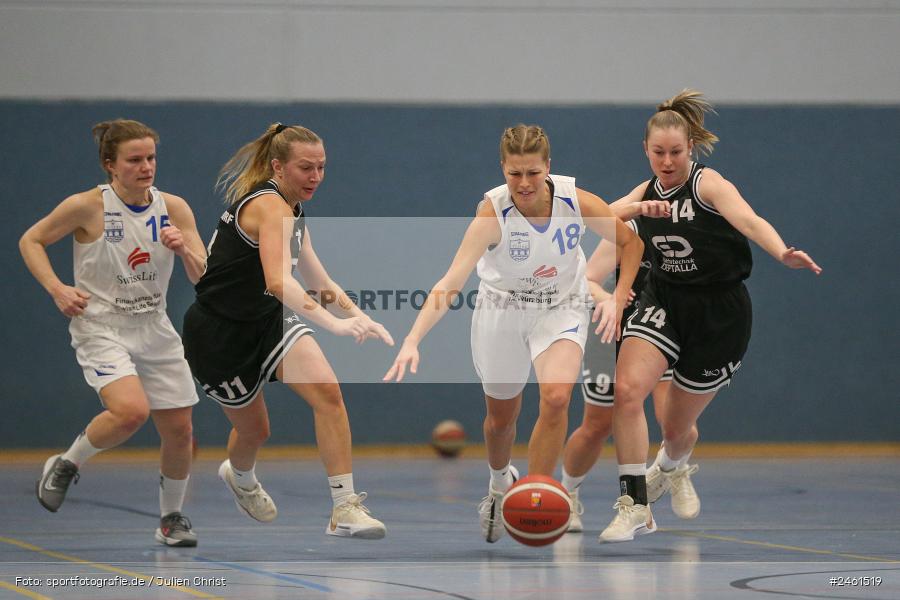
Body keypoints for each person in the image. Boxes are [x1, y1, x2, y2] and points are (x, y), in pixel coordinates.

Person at [384, 124, 644, 543]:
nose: (524, 184)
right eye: (514, 174)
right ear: (503, 168)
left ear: (548, 168)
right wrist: (413, 339)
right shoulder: (492, 214)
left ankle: (536, 493)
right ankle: (497, 486)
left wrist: (617, 296)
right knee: (500, 421)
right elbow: (450, 282)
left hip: (560, 308)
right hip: (501, 310)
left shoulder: (575, 200)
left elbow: (631, 244)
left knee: (557, 396)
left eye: (533, 173)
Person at [599, 90, 822, 543]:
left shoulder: (708, 184)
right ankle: (634, 503)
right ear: (645, 150)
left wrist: (782, 252)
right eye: (658, 152)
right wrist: (633, 216)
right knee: (626, 390)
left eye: (675, 152)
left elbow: (751, 220)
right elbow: (599, 216)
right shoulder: (643, 194)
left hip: (720, 313)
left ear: (691, 149)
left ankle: (670, 466)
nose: (666, 161)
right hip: (665, 300)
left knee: (677, 429)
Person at [182, 123, 393, 539]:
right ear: (278, 166)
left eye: (321, 167)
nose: (315, 176)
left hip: (267, 319)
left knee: (328, 393)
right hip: (218, 334)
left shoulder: (294, 210)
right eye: (305, 168)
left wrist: (358, 314)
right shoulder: (268, 206)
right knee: (255, 431)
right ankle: (239, 476)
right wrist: (333, 324)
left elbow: (317, 278)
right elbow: (279, 280)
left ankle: (343, 509)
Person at [19, 119, 207, 547]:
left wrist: (185, 249)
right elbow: (31, 241)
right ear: (110, 165)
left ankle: (171, 519)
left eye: (151, 158)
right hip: (102, 325)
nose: (146, 167)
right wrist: (57, 289)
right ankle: (67, 463)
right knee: (130, 412)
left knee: (180, 430)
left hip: (153, 325)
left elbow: (203, 276)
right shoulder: (86, 206)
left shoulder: (173, 208)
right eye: (135, 160)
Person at [560, 218, 674, 534]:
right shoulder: (632, 227)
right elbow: (587, 279)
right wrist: (608, 301)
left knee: (674, 421)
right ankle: (567, 492)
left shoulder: (698, 226)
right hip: (614, 325)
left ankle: (648, 490)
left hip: (663, 326)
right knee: (597, 423)